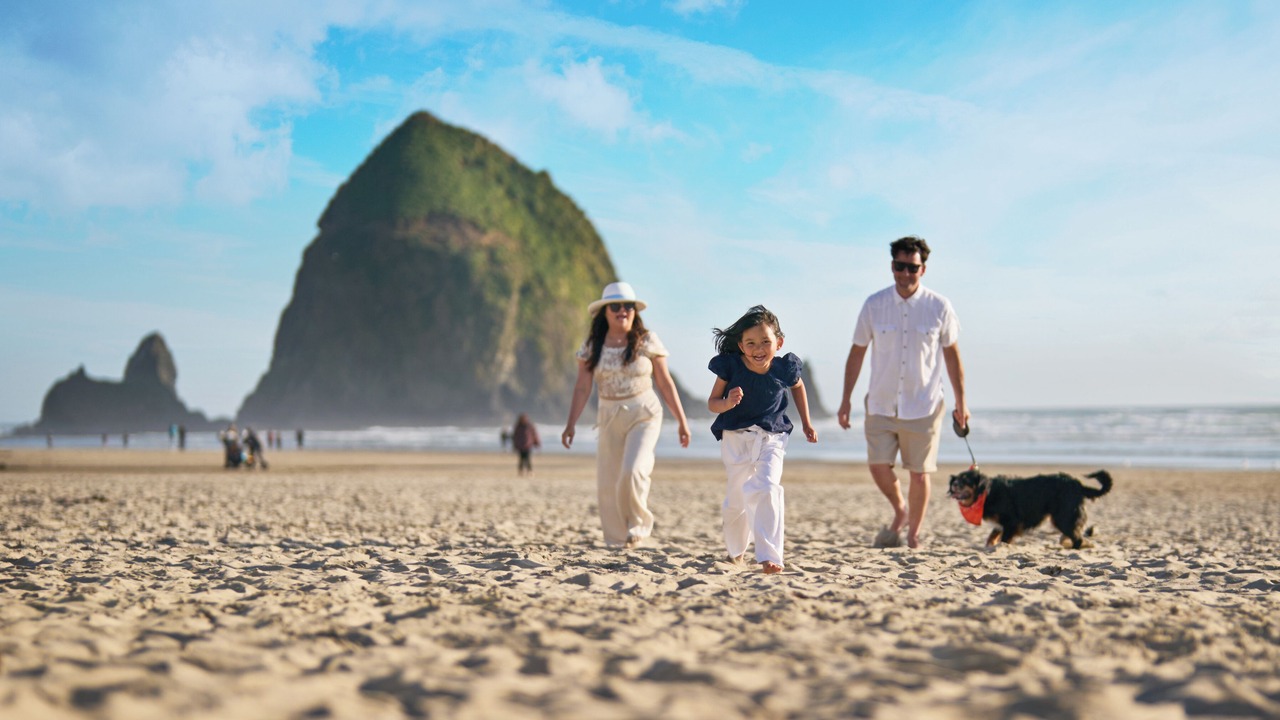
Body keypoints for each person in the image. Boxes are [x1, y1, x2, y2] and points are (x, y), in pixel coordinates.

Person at [837, 236, 969, 549]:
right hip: (881, 402)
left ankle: (913, 534)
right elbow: (857, 352)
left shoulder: (939, 307)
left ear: (923, 269)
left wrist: (962, 402)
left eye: (912, 267)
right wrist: (846, 399)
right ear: (892, 266)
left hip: (924, 404)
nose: (905, 274)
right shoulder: (874, 304)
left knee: (920, 474)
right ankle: (901, 511)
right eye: (900, 266)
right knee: (878, 466)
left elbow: (952, 356)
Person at [562, 282, 692, 549]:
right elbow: (582, 386)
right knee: (608, 481)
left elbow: (665, 383)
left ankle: (639, 524)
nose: (622, 311)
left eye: (628, 306)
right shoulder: (591, 346)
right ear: (605, 312)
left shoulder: (647, 340)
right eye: (615, 306)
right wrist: (570, 424)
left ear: (635, 311)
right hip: (608, 415)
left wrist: (682, 420)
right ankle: (617, 539)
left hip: (644, 413)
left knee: (633, 471)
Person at [708, 305, 817, 574]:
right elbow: (712, 404)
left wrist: (806, 422)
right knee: (736, 499)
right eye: (751, 343)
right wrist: (728, 402)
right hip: (735, 437)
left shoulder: (784, 368)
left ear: (778, 343)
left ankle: (770, 556)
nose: (759, 349)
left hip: (772, 436)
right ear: (741, 346)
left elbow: (799, 387)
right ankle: (737, 551)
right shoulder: (731, 367)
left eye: (765, 342)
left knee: (768, 487)